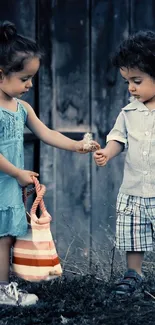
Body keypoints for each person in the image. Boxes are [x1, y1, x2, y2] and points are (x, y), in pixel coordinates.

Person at [0, 20, 100, 306]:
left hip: (10, 183)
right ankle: (3, 289)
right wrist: (17, 172)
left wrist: (77, 145)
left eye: (32, 77)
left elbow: (47, 133)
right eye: (24, 78)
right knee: (3, 236)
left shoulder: (22, 108)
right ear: (0, 75)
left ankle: (3, 284)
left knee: (6, 235)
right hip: (6, 178)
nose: (30, 85)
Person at [94, 30, 155, 296]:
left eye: (137, 80)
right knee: (133, 234)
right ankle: (134, 274)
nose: (131, 87)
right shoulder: (128, 111)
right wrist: (108, 152)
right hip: (134, 189)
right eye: (127, 81)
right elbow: (119, 138)